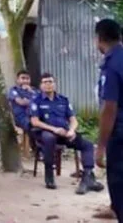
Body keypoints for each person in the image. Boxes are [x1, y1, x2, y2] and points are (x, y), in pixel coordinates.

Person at [31, 73, 104, 193]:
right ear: (41, 85)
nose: (48, 84)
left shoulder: (63, 100)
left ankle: (88, 176)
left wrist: (71, 130)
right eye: (45, 82)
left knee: (87, 145)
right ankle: (49, 176)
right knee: (49, 138)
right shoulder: (36, 101)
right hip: (46, 132)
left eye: (50, 81)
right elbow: (35, 122)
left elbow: (73, 120)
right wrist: (54, 129)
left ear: (55, 84)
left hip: (64, 133)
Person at [94, 19, 123, 218]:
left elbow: (109, 108)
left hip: (120, 135)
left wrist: (101, 147)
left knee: (119, 185)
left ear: (99, 38)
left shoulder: (112, 64)